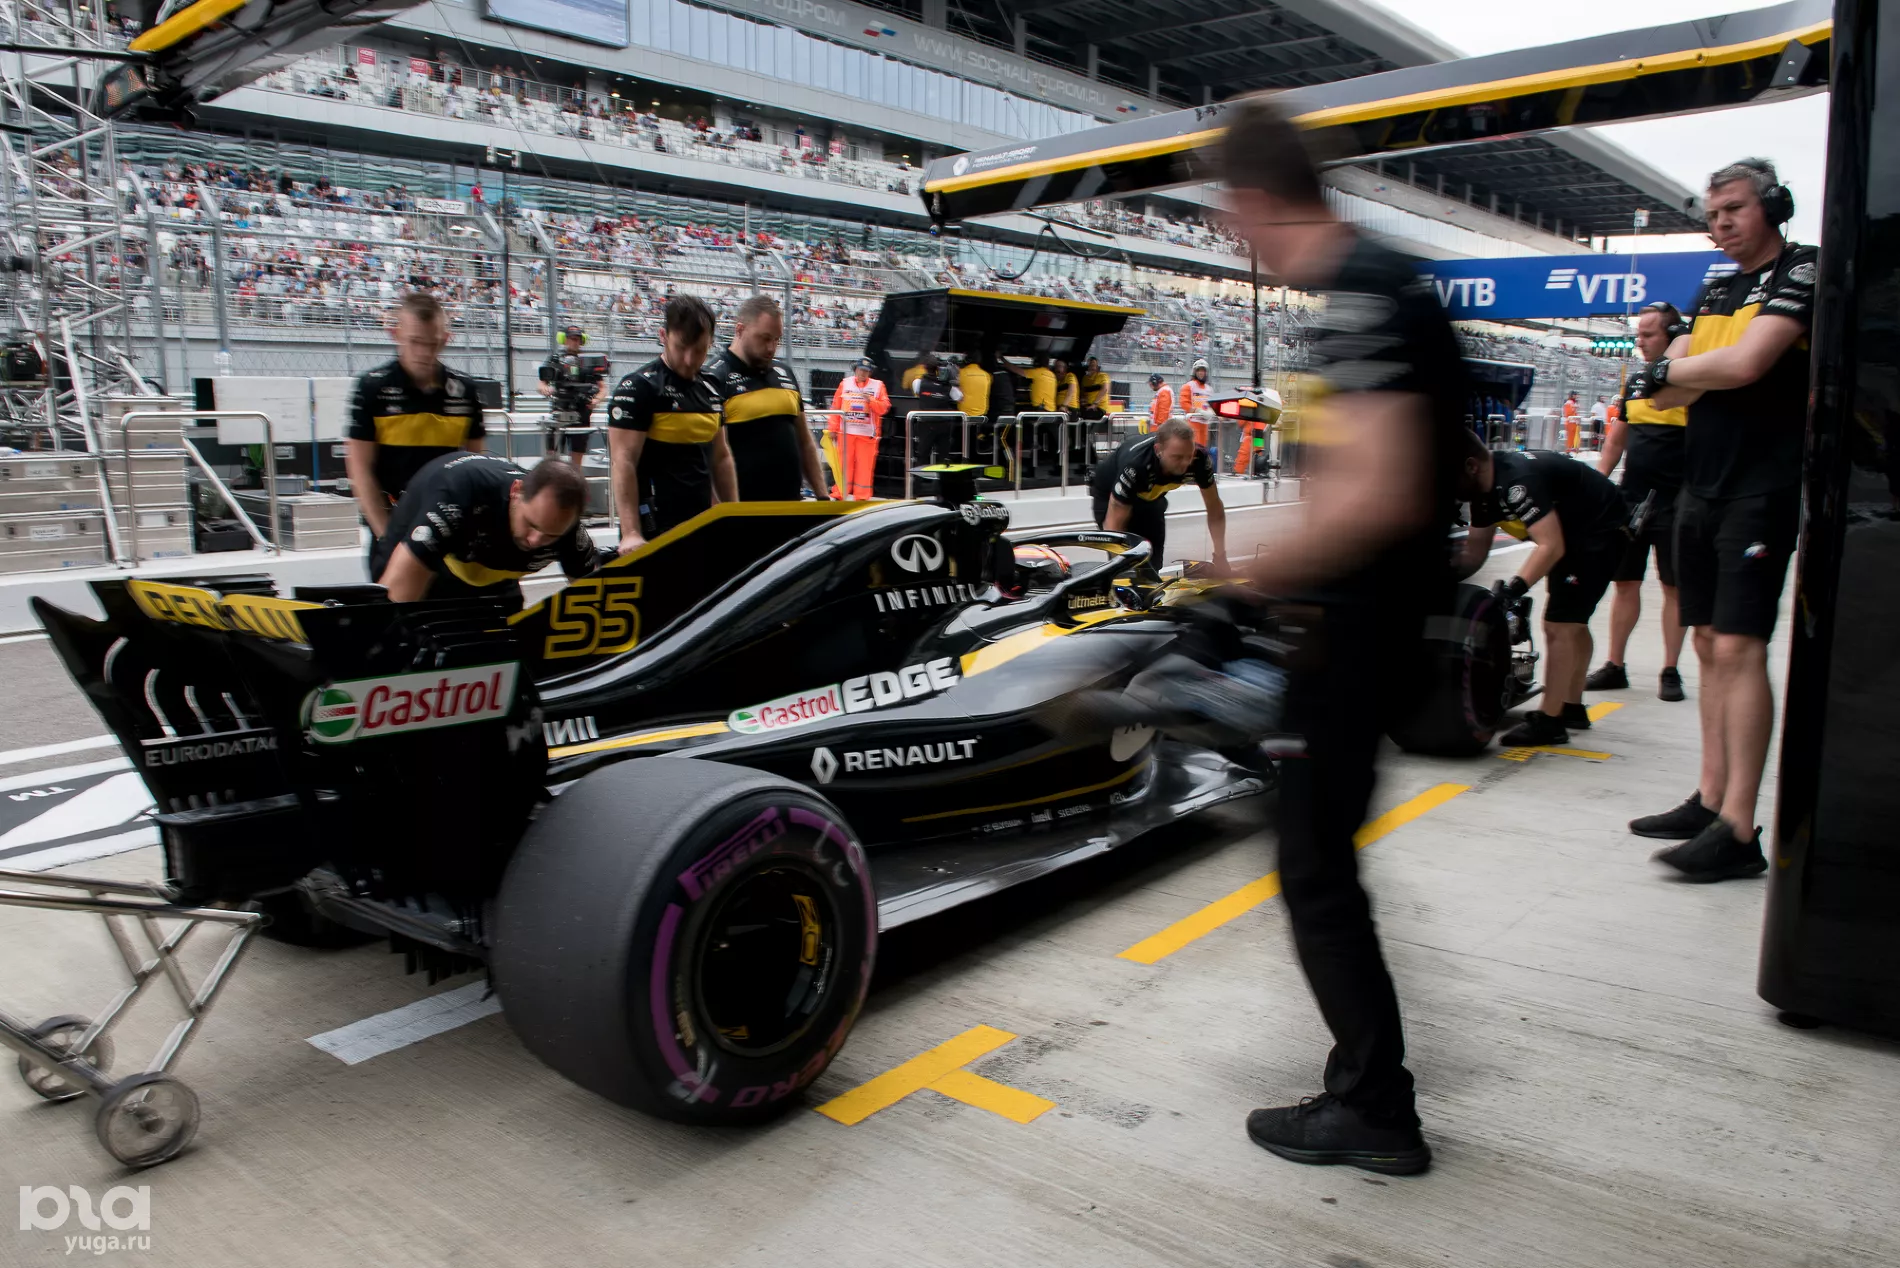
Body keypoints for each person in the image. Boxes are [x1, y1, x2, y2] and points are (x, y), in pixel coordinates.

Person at [1219, 98, 1471, 1177]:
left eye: (1231, 216)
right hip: (1370, 622)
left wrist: (1255, 572)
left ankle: (1373, 1103)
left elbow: (1375, 490)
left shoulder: (1363, 294)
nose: (1234, 238)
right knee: (1320, 859)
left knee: (1315, 870)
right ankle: (1367, 1087)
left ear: (1253, 200)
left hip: (1351, 631)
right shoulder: (1384, 285)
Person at [1625, 158, 1815, 882]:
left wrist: (1674, 370)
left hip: (1759, 489)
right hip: (1699, 486)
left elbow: (1744, 366)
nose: (1722, 224)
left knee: (1738, 647)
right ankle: (1709, 800)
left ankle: (1738, 827)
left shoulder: (1802, 268)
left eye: (1734, 208)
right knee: (1706, 642)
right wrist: (1683, 372)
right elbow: (1671, 393)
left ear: (1773, 205)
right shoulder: (1713, 287)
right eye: (1711, 215)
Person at [1455, 437, 1631, 745]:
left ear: (1471, 466)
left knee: (1559, 625)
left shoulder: (1517, 481)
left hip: (1601, 530)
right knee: (1573, 622)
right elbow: (1474, 554)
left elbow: (1551, 546)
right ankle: (1571, 706)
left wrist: (1512, 591)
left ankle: (1550, 722)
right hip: (1577, 531)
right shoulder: (1483, 489)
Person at [1587, 302, 1690, 701]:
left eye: (1648, 334)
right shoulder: (1634, 383)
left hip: (1677, 502)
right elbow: (1616, 440)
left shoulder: (1691, 382)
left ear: (1673, 336)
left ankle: (1670, 670)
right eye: (1638, 334)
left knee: (1673, 588)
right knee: (1625, 583)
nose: (1639, 342)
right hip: (1631, 501)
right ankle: (1615, 665)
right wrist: (1597, 485)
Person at [346, 292, 486, 582]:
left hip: (448, 532)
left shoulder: (465, 390)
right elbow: (359, 469)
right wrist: (387, 536)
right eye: (415, 342)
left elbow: (476, 466)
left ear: (446, 339)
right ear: (396, 334)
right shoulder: (372, 388)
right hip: (393, 525)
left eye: (432, 343)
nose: (424, 352)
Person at [375, 452, 598, 610]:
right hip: (426, 543)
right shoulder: (460, 496)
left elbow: (593, 600)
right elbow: (398, 594)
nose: (535, 540)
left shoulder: (568, 528)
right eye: (531, 524)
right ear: (516, 492)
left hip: (490, 565)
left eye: (551, 535)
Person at [607, 294, 736, 552]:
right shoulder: (639, 387)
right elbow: (623, 462)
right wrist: (631, 532)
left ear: (710, 343)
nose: (689, 359)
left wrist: (735, 514)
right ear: (663, 336)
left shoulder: (712, 386)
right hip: (652, 529)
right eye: (681, 347)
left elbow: (721, 457)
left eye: (699, 350)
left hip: (701, 523)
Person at [706, 295, 829, 502]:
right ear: (740, 330)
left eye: (776, 339)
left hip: (790, 506)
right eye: (764, 338)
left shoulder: (784, 372)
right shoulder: (714, 378)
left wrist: (822, 495)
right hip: (744, 511)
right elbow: (708, 457)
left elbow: (805, 441)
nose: (771, 348)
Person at [1089, 419, 1226, 570]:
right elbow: (1114, 523)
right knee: (1129, 566)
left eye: (1189, 456)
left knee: (1152, 567)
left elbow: (1214, 507)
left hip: (1150, 496)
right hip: (1110, 495)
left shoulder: (1199, 459)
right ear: (1158, 450)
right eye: (1177, 457)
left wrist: (1220, 557)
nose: (1185, 463)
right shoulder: (1137, 464)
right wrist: (1119, 569)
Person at [536, 324, 607, 470]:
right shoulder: (555, 360)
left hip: (582, 414)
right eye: (571, 338)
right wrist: (545, 389)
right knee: (552, 460)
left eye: (577, 339)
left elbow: (602, 388)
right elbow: (541, 383)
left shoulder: (588, 361)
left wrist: (596, 400)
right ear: (564, 339)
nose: (575, 342)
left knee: (576, 461)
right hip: (559, 412)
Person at [828, 358, 889, 500]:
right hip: (846, 433)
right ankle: (840, 493)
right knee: (843, 464)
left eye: (866, 371)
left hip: (867, 435)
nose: (863, 373)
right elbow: (836, 407)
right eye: (861, 370)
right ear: (856, 370)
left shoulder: (878, 386)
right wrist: (832, 428)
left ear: (870, 372)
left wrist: (871, 400)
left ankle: (862, 496)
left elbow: (884, 408)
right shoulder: (845, 384)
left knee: (865, 467)